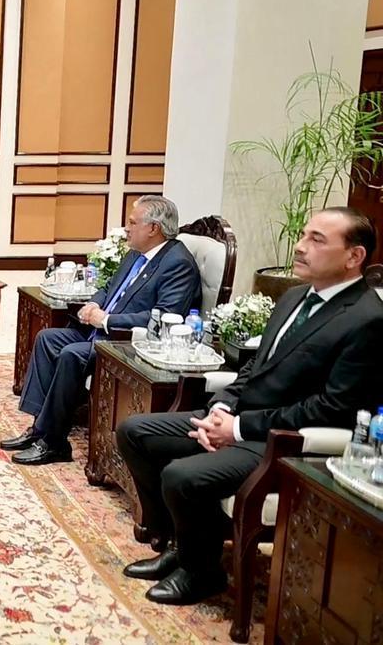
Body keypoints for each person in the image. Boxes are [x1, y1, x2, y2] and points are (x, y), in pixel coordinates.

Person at [116, 207, 383, 605]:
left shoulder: (365, 319)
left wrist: (239, 429)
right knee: (134, 431)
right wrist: (221, 408)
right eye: (304, 234)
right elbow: (254, 367)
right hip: (241, 420)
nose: (300, 246)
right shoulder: (294, 296)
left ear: (354, 257)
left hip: (283, 442)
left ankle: (202, 572)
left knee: (181, 476)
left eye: (317, 240)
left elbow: (330, 408)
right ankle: (176, 543)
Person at [1, 195, 202, 465]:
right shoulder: (136, 254)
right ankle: (39, 429)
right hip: (99, 332)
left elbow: (164, 317)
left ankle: (54, 443)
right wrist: (95, 302)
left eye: (133, 222)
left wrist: (106, 320)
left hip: (123, 343)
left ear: (153, 228)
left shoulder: (178, 264)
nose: (127, 228)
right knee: (48, 338)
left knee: (72, 354)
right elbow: (109, 287)